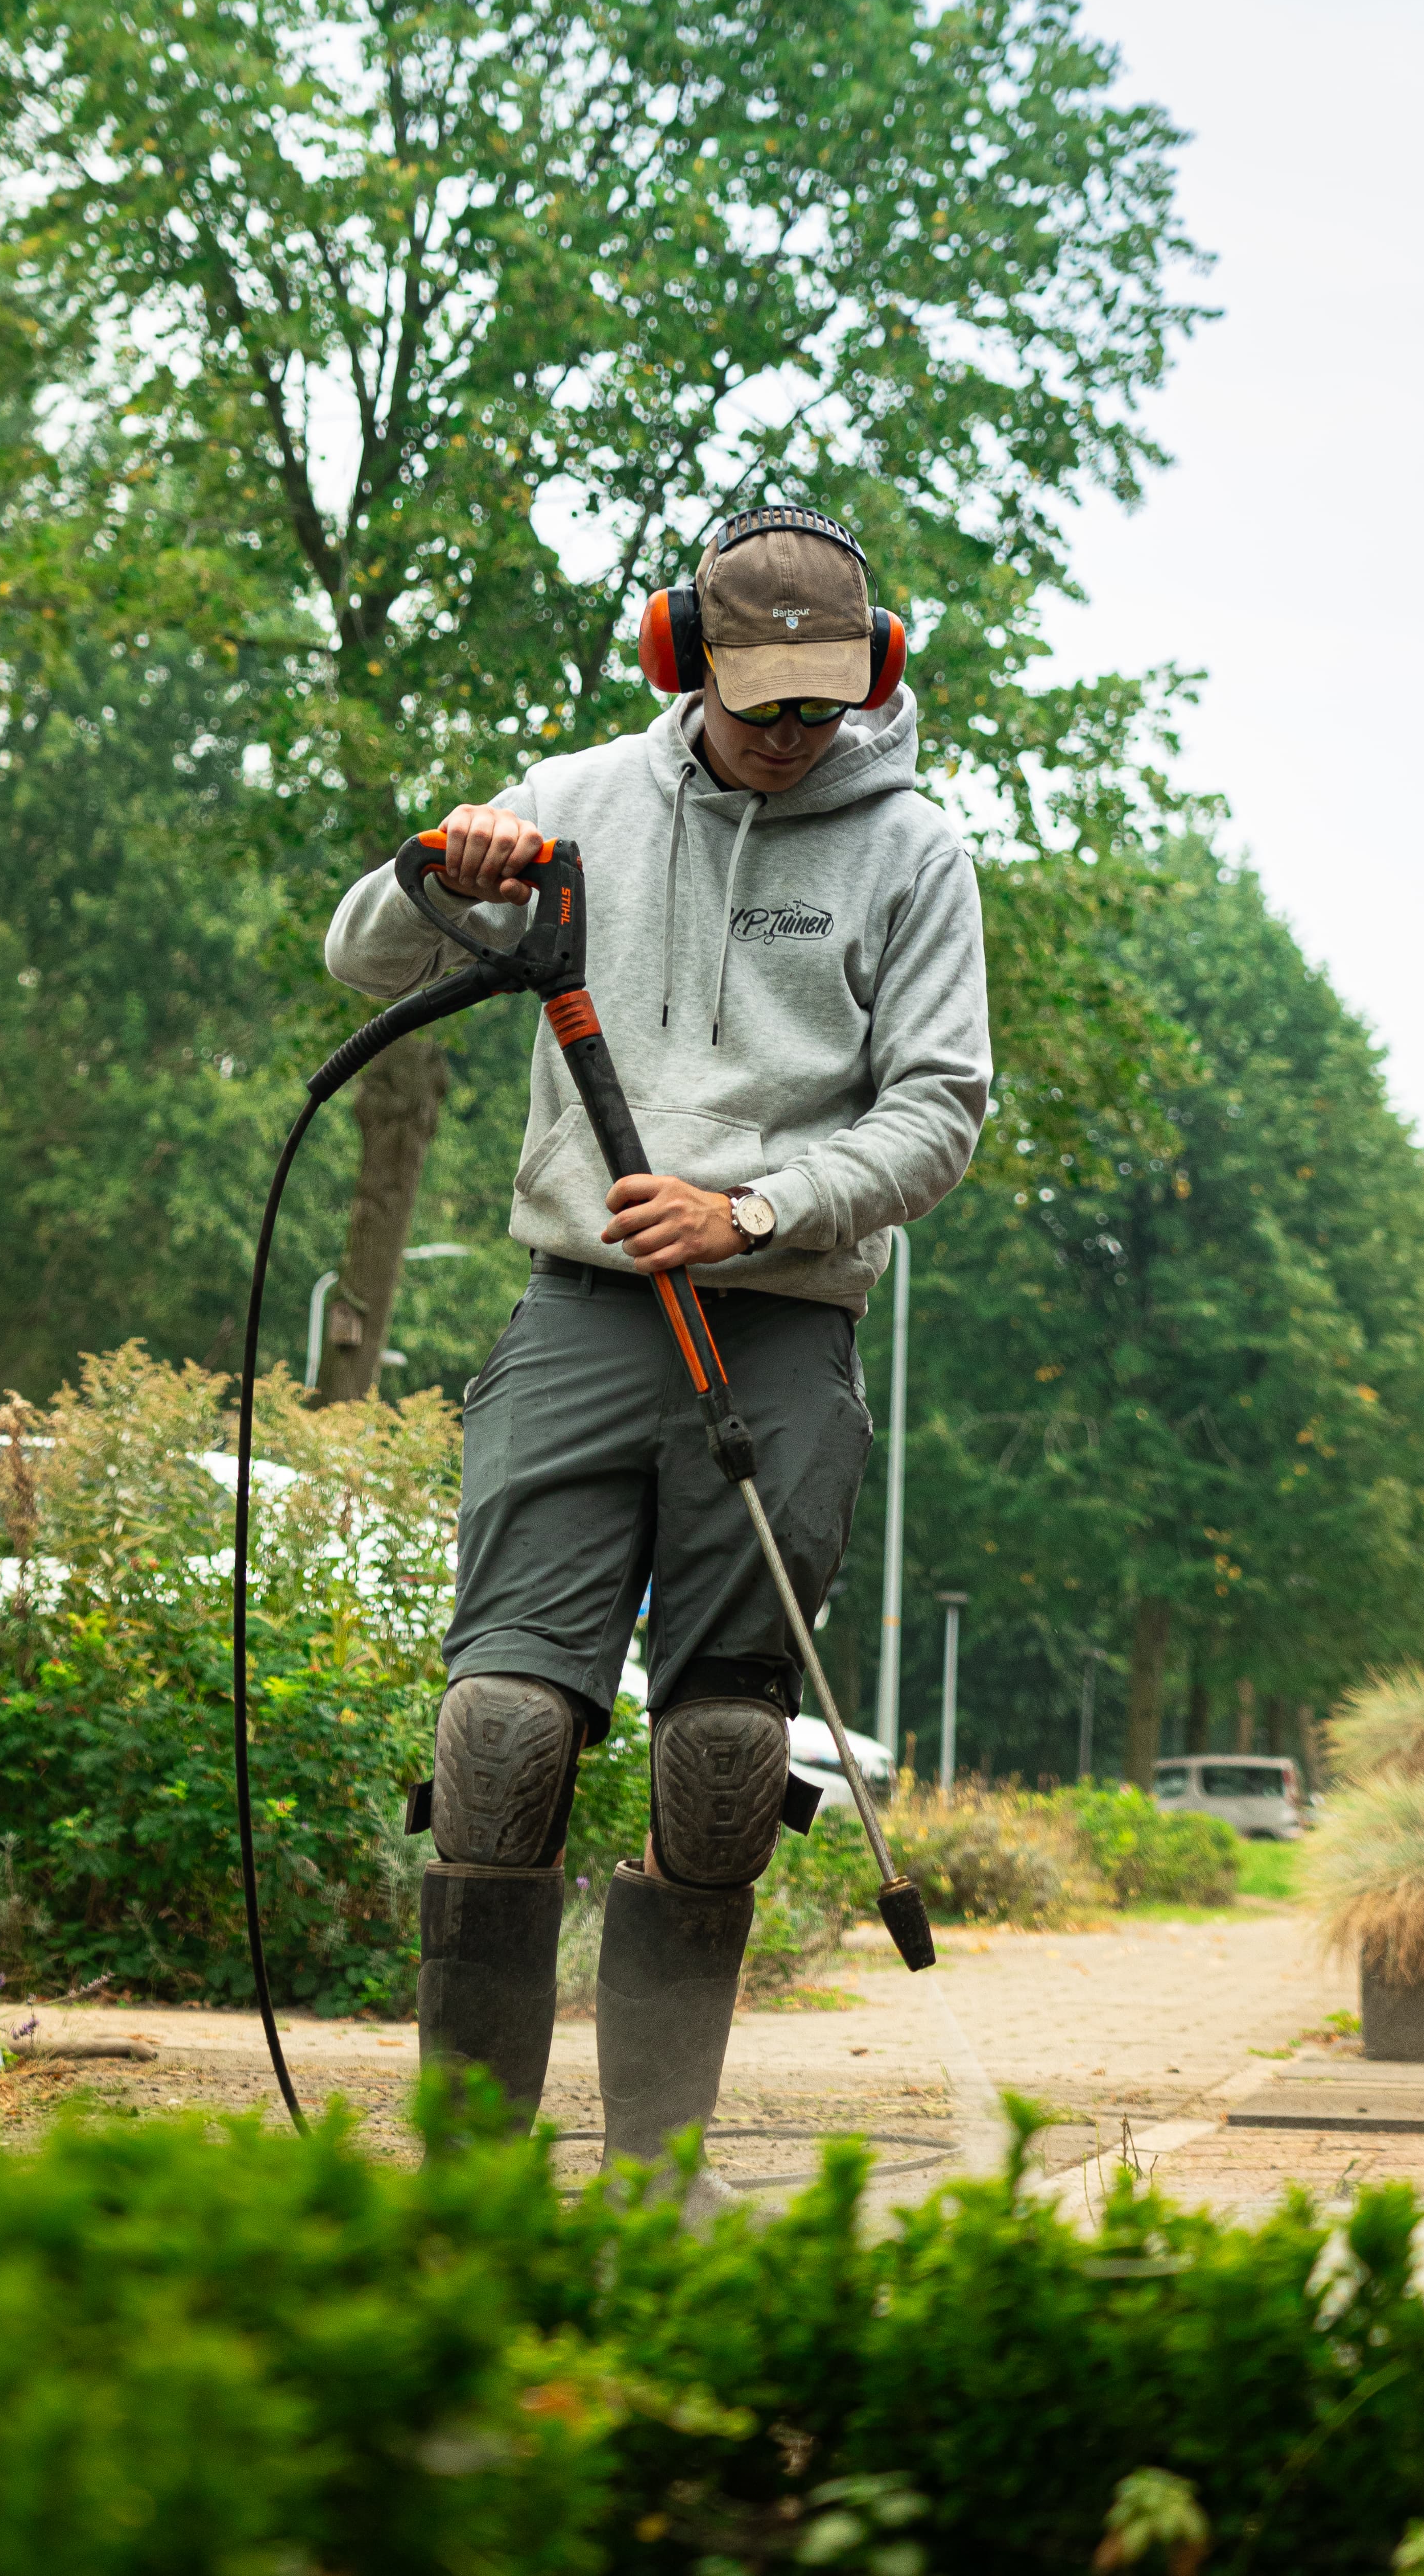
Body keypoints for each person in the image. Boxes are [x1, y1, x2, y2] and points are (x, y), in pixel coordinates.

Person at [324, 508, 990, 2208]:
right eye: (760, 705)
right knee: (499, 1728)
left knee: (718, 1755)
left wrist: (759, 1213)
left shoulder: (915, 851)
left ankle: (654, 2175)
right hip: (581, 1309)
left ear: (875, 675)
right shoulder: (571, 800)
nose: (789, 738)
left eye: (821, 710)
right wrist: (436, 869)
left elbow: (939, 1112)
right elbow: (358, 958)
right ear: (679, 657)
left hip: (783, 1324)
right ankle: (468, 2187)